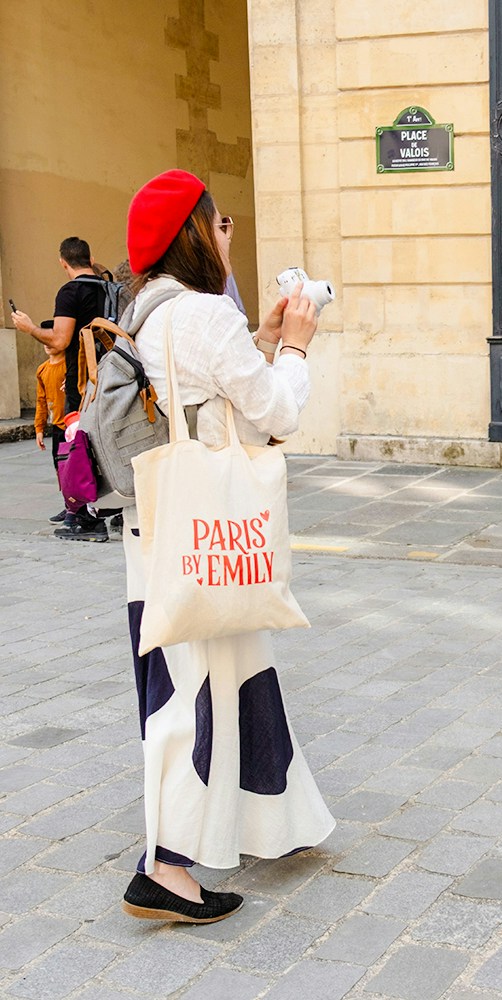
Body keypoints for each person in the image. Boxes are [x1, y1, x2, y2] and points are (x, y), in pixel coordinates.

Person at [114, 169, 333, 924]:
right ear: (197, 234)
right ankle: (165, 869)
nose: (228, 233)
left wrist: (261, 336)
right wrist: (297, 347)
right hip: (207, 527)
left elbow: (209, 393)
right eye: (221, 222)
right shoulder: (205, 312)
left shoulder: (146, 311)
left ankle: (278, 820)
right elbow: (274, 410)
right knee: (195, 694)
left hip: (162, 523)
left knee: (234, 673)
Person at [10, 237, 117, 540]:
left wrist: (29, 328)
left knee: (78, 443)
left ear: (63, 262)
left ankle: (84, 518)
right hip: (114, 378)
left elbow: (60, 340)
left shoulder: (71, 291)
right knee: (106, 440)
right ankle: (116, 510)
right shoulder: (109, 287)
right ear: (90, 257)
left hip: (82, 379)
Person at [33, 341, 70, 500]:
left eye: (51, 340)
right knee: (59, 465)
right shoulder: (42, 369)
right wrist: (39, 428)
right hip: (57, 425)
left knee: (76, 466)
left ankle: (83, 510)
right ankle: (68, 504)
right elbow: (41, 400)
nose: (47, 344)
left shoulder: (71, 366)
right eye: (44, 341)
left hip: (73, 423)